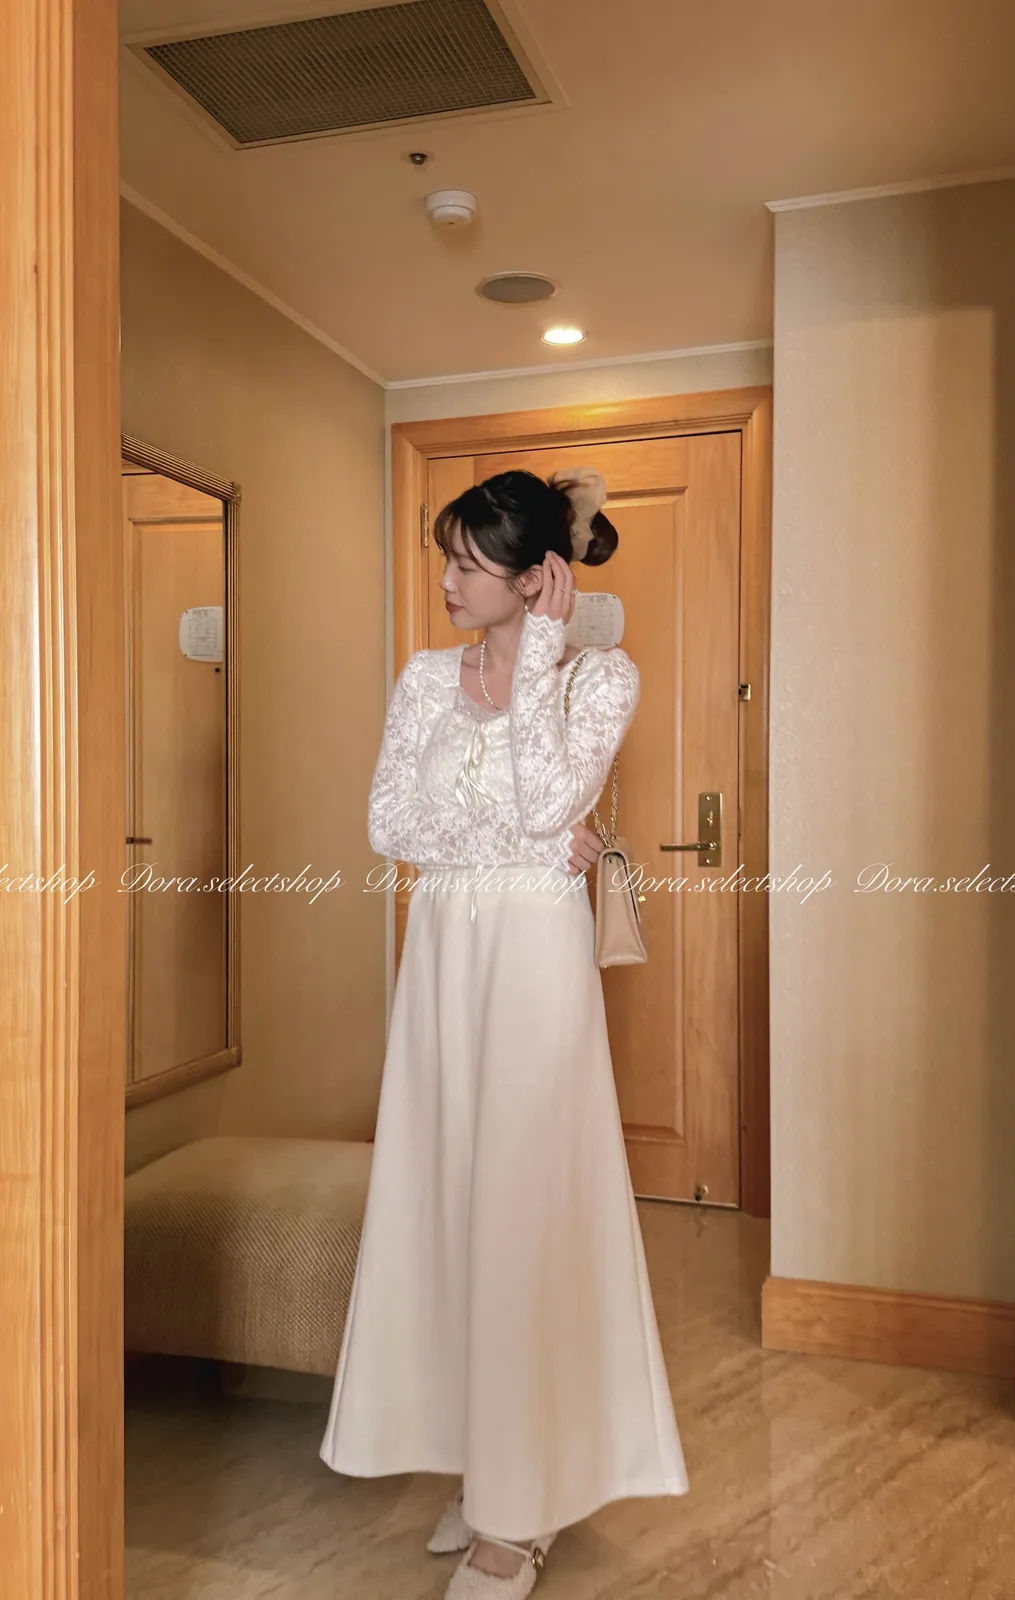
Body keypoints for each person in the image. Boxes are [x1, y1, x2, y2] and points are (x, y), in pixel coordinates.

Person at [320, 466, 689, 1598]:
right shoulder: (423, 679)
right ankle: (487, 1465)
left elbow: (544, 802)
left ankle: (520, 1516)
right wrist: (530, 841)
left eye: (472, 564)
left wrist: (538, 664)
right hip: (441, 961)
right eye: (448, 557)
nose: (448, 580)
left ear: (537, 579)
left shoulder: (601, 678)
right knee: (450, 1203)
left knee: (527, 1210)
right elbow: (388, 823)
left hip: (533, 963)